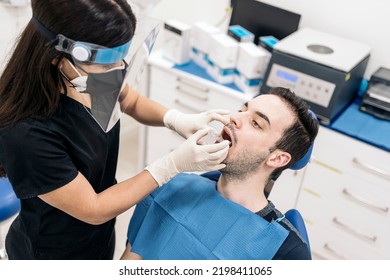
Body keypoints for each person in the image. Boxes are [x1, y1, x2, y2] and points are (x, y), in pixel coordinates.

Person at [0, 0, 230, 260]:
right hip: (53, 252)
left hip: (98, 236)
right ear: (57, 57)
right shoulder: (26, 134)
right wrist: (171, 165)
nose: (116, 74)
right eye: (108, 66)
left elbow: (130, 100)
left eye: (121, 61)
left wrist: (175, 118)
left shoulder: (89, 78)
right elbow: (94, 208)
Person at [121, 87, 319, 260]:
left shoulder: (284, 250)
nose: (235, 117)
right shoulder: (172, 187)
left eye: (256, 123)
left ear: (276, 159)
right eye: (242, 110)